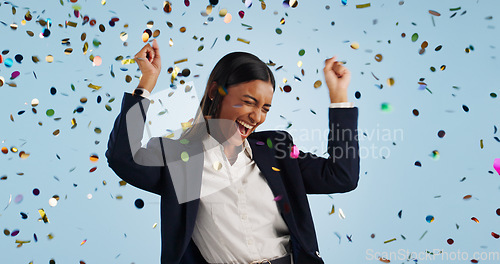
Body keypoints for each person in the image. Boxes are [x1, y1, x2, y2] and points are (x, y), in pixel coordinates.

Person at [105, 38, 360, 264]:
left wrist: (339, 97)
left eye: (265, 108)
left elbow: (341, 176)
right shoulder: (179, 160)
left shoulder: (277, 151)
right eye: (249, 102)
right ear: (216, 92)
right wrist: (146, 83)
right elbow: (122, 157)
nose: (257, 116)